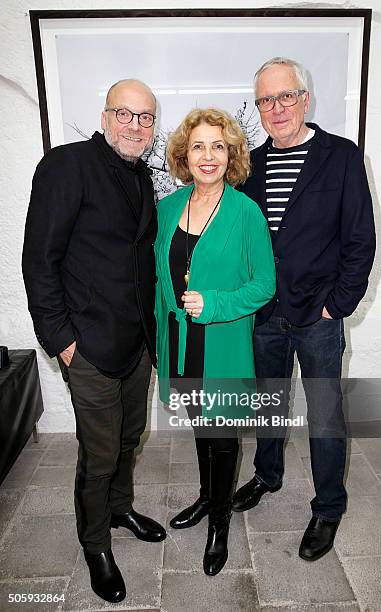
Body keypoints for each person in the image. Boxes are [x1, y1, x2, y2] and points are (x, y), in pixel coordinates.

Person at [22, 79, 166, 603]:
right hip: (87, 344)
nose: (135, 125)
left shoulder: (144, 176)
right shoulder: (66, 166)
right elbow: (39, 261)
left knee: (130, 439)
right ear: (104, 117)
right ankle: (95, 543)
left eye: (145, 117)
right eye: (124, 114)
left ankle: (121, 507)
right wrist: (61, 340)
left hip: (136, 344)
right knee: (99, 452)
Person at [233, 57, 376, 561]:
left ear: (304, 99)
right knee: (267, 405)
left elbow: (360, 239)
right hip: (265, 315)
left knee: (324, 416)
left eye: (285, 96)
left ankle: (328, 508)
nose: (276, 108)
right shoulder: (248, 165)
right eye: (265, 100)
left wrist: (337, 305)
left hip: (318, 317)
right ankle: (267, 475)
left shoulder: (340, 156)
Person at [154, 108, 276, 575]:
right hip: (182, 347)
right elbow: (157, 279)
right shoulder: (168, 207)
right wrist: (160, 341)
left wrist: (217, 303)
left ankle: (219, 525)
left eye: (218, 146)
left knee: (223, 437)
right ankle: (208, 497)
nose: (208, 156)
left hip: (222, 346)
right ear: (186, 153)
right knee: (201, 428)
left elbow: (264, 284)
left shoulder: (246, 213)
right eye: (199, 146)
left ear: (232, 155)